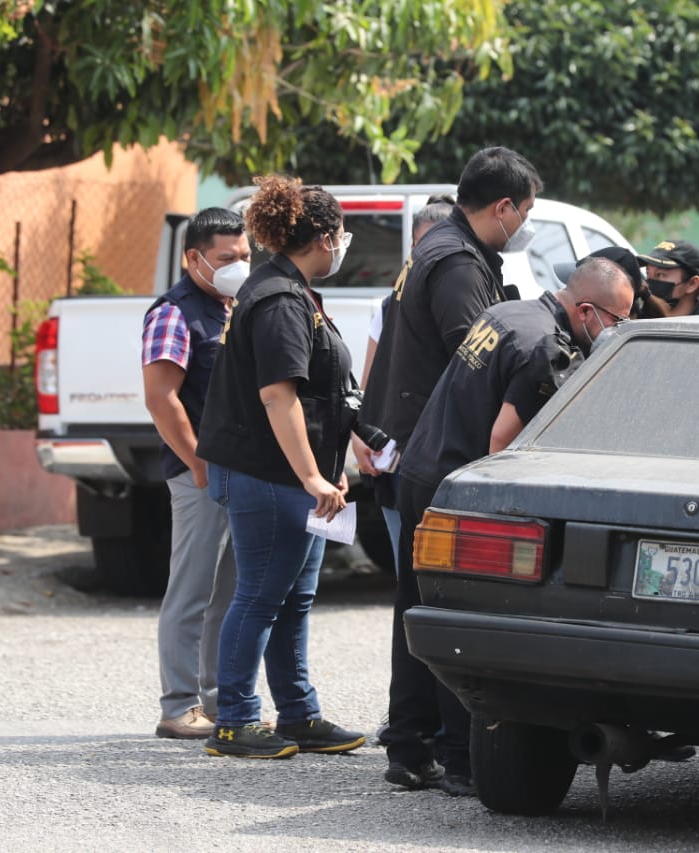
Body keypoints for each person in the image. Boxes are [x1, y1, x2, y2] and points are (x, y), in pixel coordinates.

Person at [395, 258, 634, 794]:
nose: (618, 332)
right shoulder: (547, 347)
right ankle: (459, 759)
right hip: (454, 486)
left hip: (422, 469)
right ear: (588, 311)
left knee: (414, 614)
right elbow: (502, 440)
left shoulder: (509, 311)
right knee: (462, 622)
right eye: (619, 320)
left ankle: (408, 748)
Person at [356, 146, 543, 794]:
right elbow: (480, 365)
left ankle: (411, 745)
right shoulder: (459, 263)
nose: (523, 225)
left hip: (415, 450)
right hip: (439, 457)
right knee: (443, 604)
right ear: (502, 206)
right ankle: (447, 750)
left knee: (419, 601)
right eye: (523, 213)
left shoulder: (437, 250)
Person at [195, 175, 366, 759]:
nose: (343, 244)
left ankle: (298, 714)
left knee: (294, 597)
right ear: (322, 237)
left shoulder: (293, 290)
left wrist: (327, 467)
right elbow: (279, 397)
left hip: (296, 475)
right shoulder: (278, 300)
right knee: (260, 596)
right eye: (341, 235)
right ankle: (235, 721)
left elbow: (320, 394)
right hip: (269, 476)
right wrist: (313, 476)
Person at [142, 208, 249, 739]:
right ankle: (178, 703)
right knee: (192, 591)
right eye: (227, 258)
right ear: (194, 258)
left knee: (228, 594)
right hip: (200, 476)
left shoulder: (232, 308)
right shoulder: (174, 312)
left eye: (245, 256)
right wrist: (198, 464)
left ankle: (215, 700)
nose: (239, 266)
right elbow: (162, 399)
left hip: (240, 474)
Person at [359, 193, 457, 571]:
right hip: (400, 462)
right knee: (409, 573)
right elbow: (371, 386)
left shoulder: (467, 295)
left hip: (446, 457)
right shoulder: (389, 305)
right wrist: (362, 435)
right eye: (423, 246)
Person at [638, 239, 699, 317]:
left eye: (660, 275)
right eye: (647, 273)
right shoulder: (633, 325)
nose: (648, 283)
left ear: (692, 284)